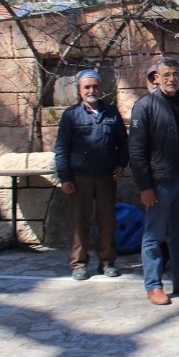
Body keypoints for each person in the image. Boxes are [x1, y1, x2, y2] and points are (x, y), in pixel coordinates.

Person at [130, 57, 179, 305]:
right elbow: (137, 150)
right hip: (159, 182)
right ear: (156, 78)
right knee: (153, 235)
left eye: (175, 74)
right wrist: (145, 186)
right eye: (166, 75)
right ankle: (153, 284)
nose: (172, 79)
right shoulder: (144, 106)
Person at [54, 70, 129, 281]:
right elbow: (61, 149)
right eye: (86, 87)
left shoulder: (112, 113)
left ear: (100, 88)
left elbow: (123, 143)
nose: (91, 90)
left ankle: (107, 262)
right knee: (80, 222)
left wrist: (121, 164)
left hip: (106, 177)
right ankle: (79, 264)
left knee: (107, 221)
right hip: (80, 178)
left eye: (94, 86)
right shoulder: (71, 116)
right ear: (79, 90)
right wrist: (65, 177)